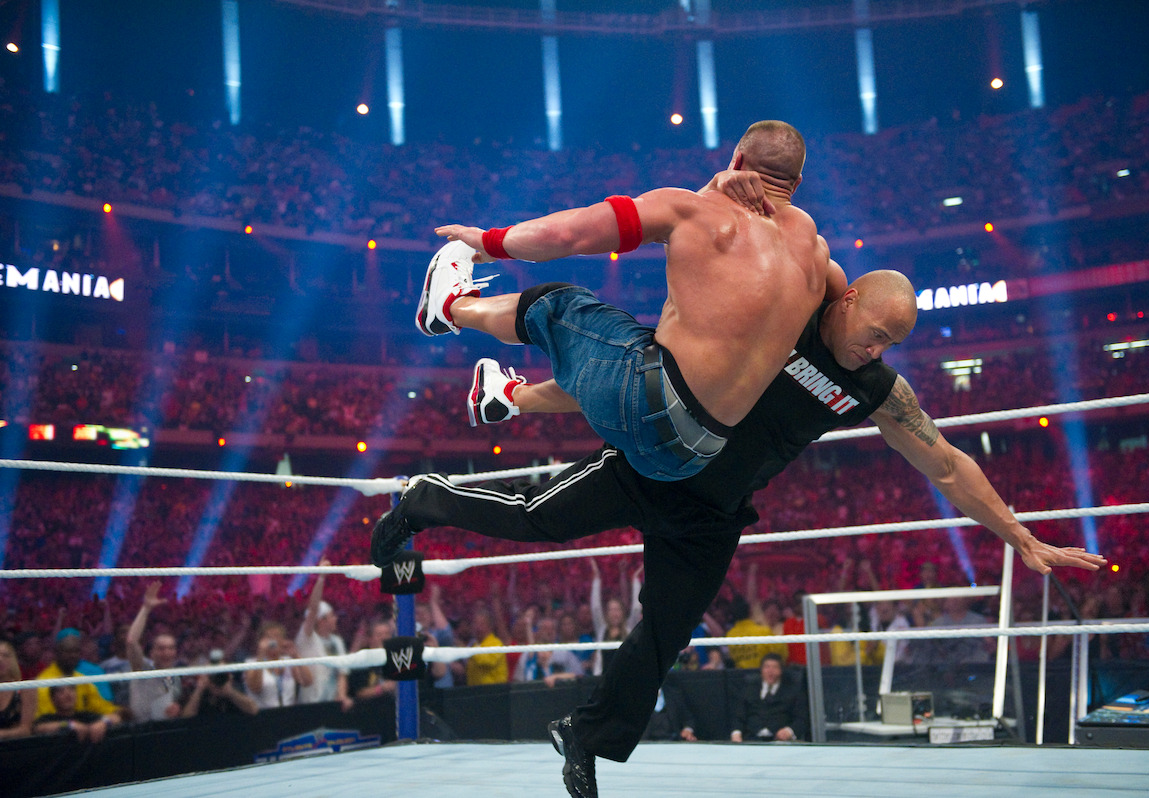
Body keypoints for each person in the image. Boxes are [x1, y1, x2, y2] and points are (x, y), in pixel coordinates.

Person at [372, 268, 1107, 798]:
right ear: (847, 301)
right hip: (653, 463)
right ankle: (428, 498)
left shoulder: (877, 388)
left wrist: (1018, 533)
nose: (876, 350)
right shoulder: (784, 308)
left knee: (664, 635)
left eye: (890, 345)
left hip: (712, 514)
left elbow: (945, 464)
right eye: (875, 333)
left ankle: (586, 737)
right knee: (535, 518)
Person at [426, 121, 837, 484]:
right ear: (796, 184)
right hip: (700, 456)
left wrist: (487, 242)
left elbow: (569, 236)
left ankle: (450, 308)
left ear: (737, 159)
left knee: (558, 306)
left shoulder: (693, 209)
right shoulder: (819, 259)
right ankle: (508, 398)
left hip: (647, 411)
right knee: (636, 349)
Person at [294, 560, 351, 709]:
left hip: (332, 703)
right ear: (321, 620)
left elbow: (342, 673)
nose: (335, 618)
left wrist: (342, 695)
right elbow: (313, 609)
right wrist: (321, 578)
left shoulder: (337, 641)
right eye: (332, 615)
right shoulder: (307, 637)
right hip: (310, 705)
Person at [125, 581, 183, 723]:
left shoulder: (175, 677)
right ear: (152, 653)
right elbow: (131, 641)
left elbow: (173, 705)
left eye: (171, 648)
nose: (166, 652)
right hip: (140, 731)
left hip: (164, 730)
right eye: (161, 648)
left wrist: (176, 708)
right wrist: (146, 608)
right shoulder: (143, 670)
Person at [35, 630, 119, 720]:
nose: (73, 655)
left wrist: (118, 712)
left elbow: (100, 706)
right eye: (68, 651)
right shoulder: (44, 682)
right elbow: (45, 718)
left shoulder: (81, 679)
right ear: (57, 653)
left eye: (76, 651)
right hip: (56, 728)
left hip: (85, 727)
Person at [730, 653, 806, 743]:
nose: (770, 671)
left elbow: (801, 719)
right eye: (767, 667)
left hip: (780, 742)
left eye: (775, 667)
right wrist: (736, 734)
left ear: (781, 671)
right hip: (751, 740)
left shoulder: (793, 691)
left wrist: (789, 731)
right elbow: (738, 717)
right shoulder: (749, 690)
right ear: (761, 670)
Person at [180, 650, 259, 718]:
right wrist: (200, 689)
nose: (217, 676)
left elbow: (253, 710)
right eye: (213, 673)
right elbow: (186, 717)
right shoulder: (197, 688)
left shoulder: (231, 685)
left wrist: (230, 693)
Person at [33, 685, 121, 744]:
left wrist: (104, 722)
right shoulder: (48, 718)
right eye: (61, 692)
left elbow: (116, 717)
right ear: (53, 699)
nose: (68, 694)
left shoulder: (85, 715)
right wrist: (68, 725)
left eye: (71, 690)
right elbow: (38, 728)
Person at [0, 636, 36, 739]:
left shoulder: (25, 689)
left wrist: (1, 734)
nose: (0, 659)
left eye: (6, 655)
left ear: (13, 660)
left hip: (16, 749)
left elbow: (25, 730)